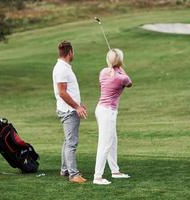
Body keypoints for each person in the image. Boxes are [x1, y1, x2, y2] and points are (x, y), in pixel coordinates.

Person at [93, 48, 132, 185]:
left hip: (101, 109)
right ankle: (97, 176)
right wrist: (120, 68)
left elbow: (101, 85)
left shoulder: (103, 72)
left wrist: (115, 67)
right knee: (105, 144)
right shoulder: (122, 77)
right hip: (108, 112)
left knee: (112, 141)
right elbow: (130, 83)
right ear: (120, 61)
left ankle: (115, 171)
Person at [52, 41, 88, 183]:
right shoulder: (61, 69)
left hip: (70, 107)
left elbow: (69, 91)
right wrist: (77, 107)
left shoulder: (64, 67)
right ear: (70, 52)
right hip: (68, 111)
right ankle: (73, 175)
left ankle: (65, 170)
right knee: (71, 143)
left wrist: (79, 104)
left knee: (67, 141)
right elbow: (62, 92)